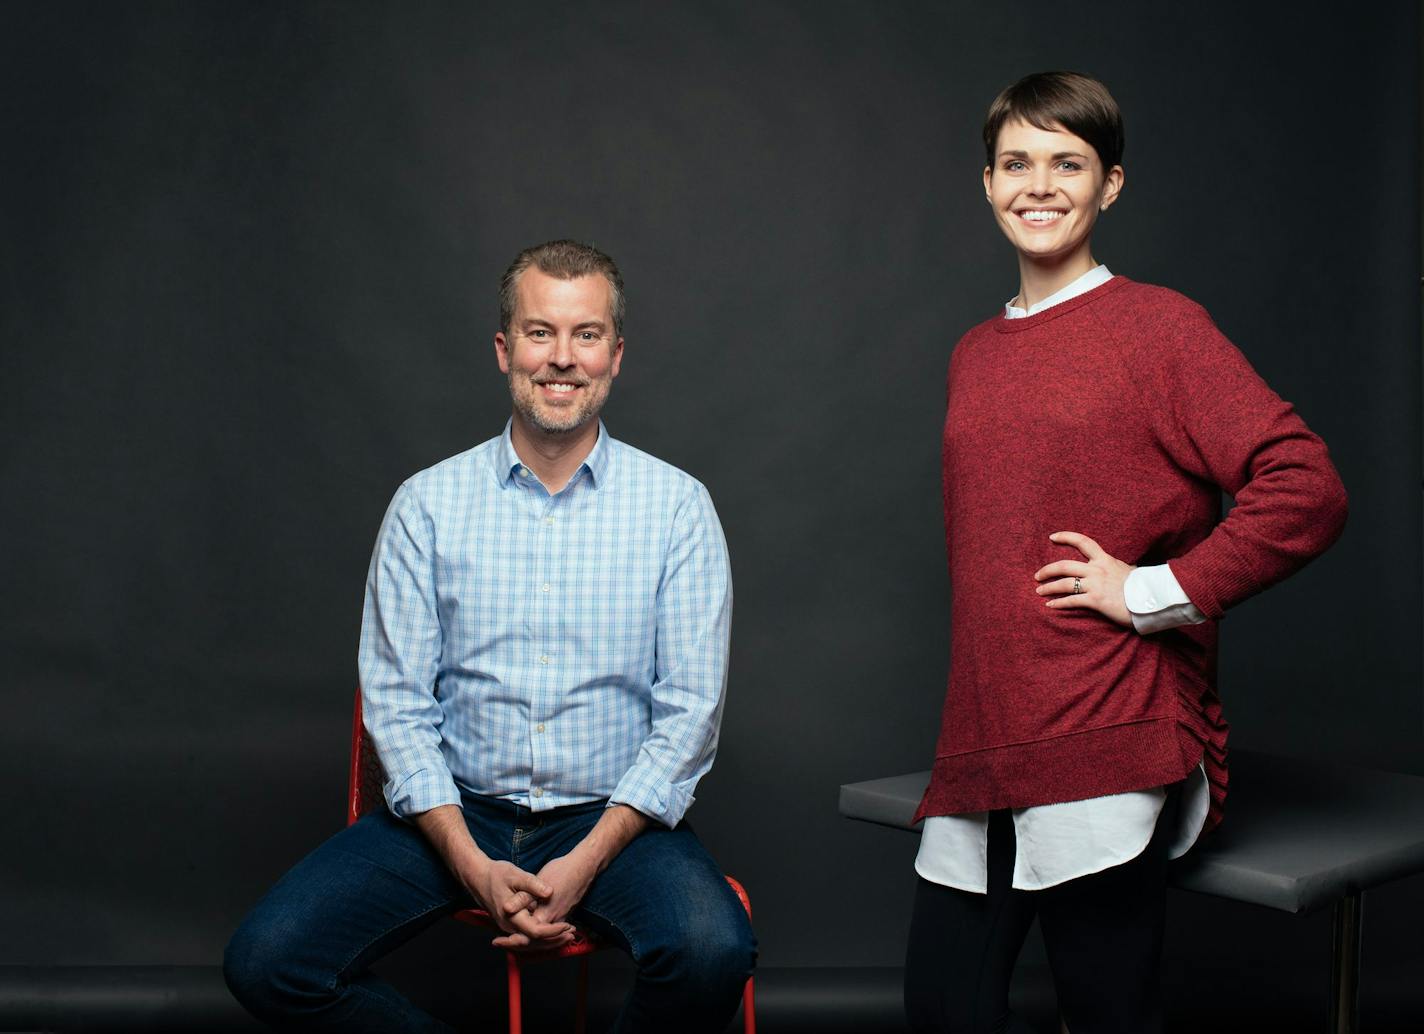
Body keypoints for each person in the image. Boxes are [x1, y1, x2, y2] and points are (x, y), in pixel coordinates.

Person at [902, 72, 1347, 1034]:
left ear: (1110, 185)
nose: (1040, 184)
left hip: (1105, 729)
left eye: (1069, 162)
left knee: (1107, 1014)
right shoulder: (975, 349)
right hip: (985, 739)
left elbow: (1306, 486)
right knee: (942, 1012)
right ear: (986, 182)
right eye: (1016, 162)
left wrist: (1155, 589)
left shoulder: (1159, 329)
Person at [224, 239, 755, 1033]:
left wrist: (581, 864)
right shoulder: (426, 505)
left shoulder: (677, 509)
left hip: (609, 818)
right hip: (453, 812)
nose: (562, 359)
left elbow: (687, 720)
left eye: (586, 335)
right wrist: (471, 863)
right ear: (506, 350)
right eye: (541, 332)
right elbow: (397, 710)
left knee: (713, 948)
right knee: (266, 961)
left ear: (616, 354)